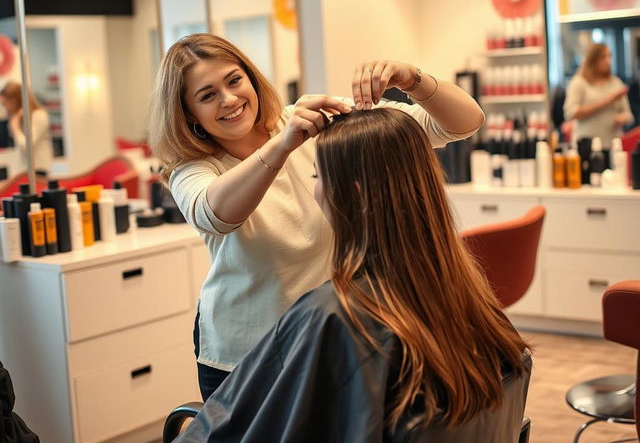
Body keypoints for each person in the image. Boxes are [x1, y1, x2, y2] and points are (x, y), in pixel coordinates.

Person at [147, 34, 485, 400]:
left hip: (329, 336)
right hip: (247, 354)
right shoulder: (193, 169)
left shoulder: (307, 121)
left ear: (251, 78)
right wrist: (282, 144)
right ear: (188, 113)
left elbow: (461, 124)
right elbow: (214, 215)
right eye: (207, 95)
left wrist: (412, 79)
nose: (229, 100)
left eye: (234, 80)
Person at [174, 108, 531, 443]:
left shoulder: (332, 317)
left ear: (353, 194)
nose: (313, 190)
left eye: (315, 176)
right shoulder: (467, 291)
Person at [564, 43, 633, 149]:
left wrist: (621, 119)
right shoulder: (579, 83)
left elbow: (628, 115)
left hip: (612, 144)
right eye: (603, 57)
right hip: (586, 145)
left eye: (609, 56)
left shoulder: (615, 83)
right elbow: (571, 113)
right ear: (592, 60)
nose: (608, 61)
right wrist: (608, 100)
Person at [0, 81, 53, 177]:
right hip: (23, 172)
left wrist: (15, 128)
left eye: (5, 104)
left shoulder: (39, 115)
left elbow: (27, 146)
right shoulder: (18, 118)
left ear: (15, 100)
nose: (5, 108)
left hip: (38, 172)